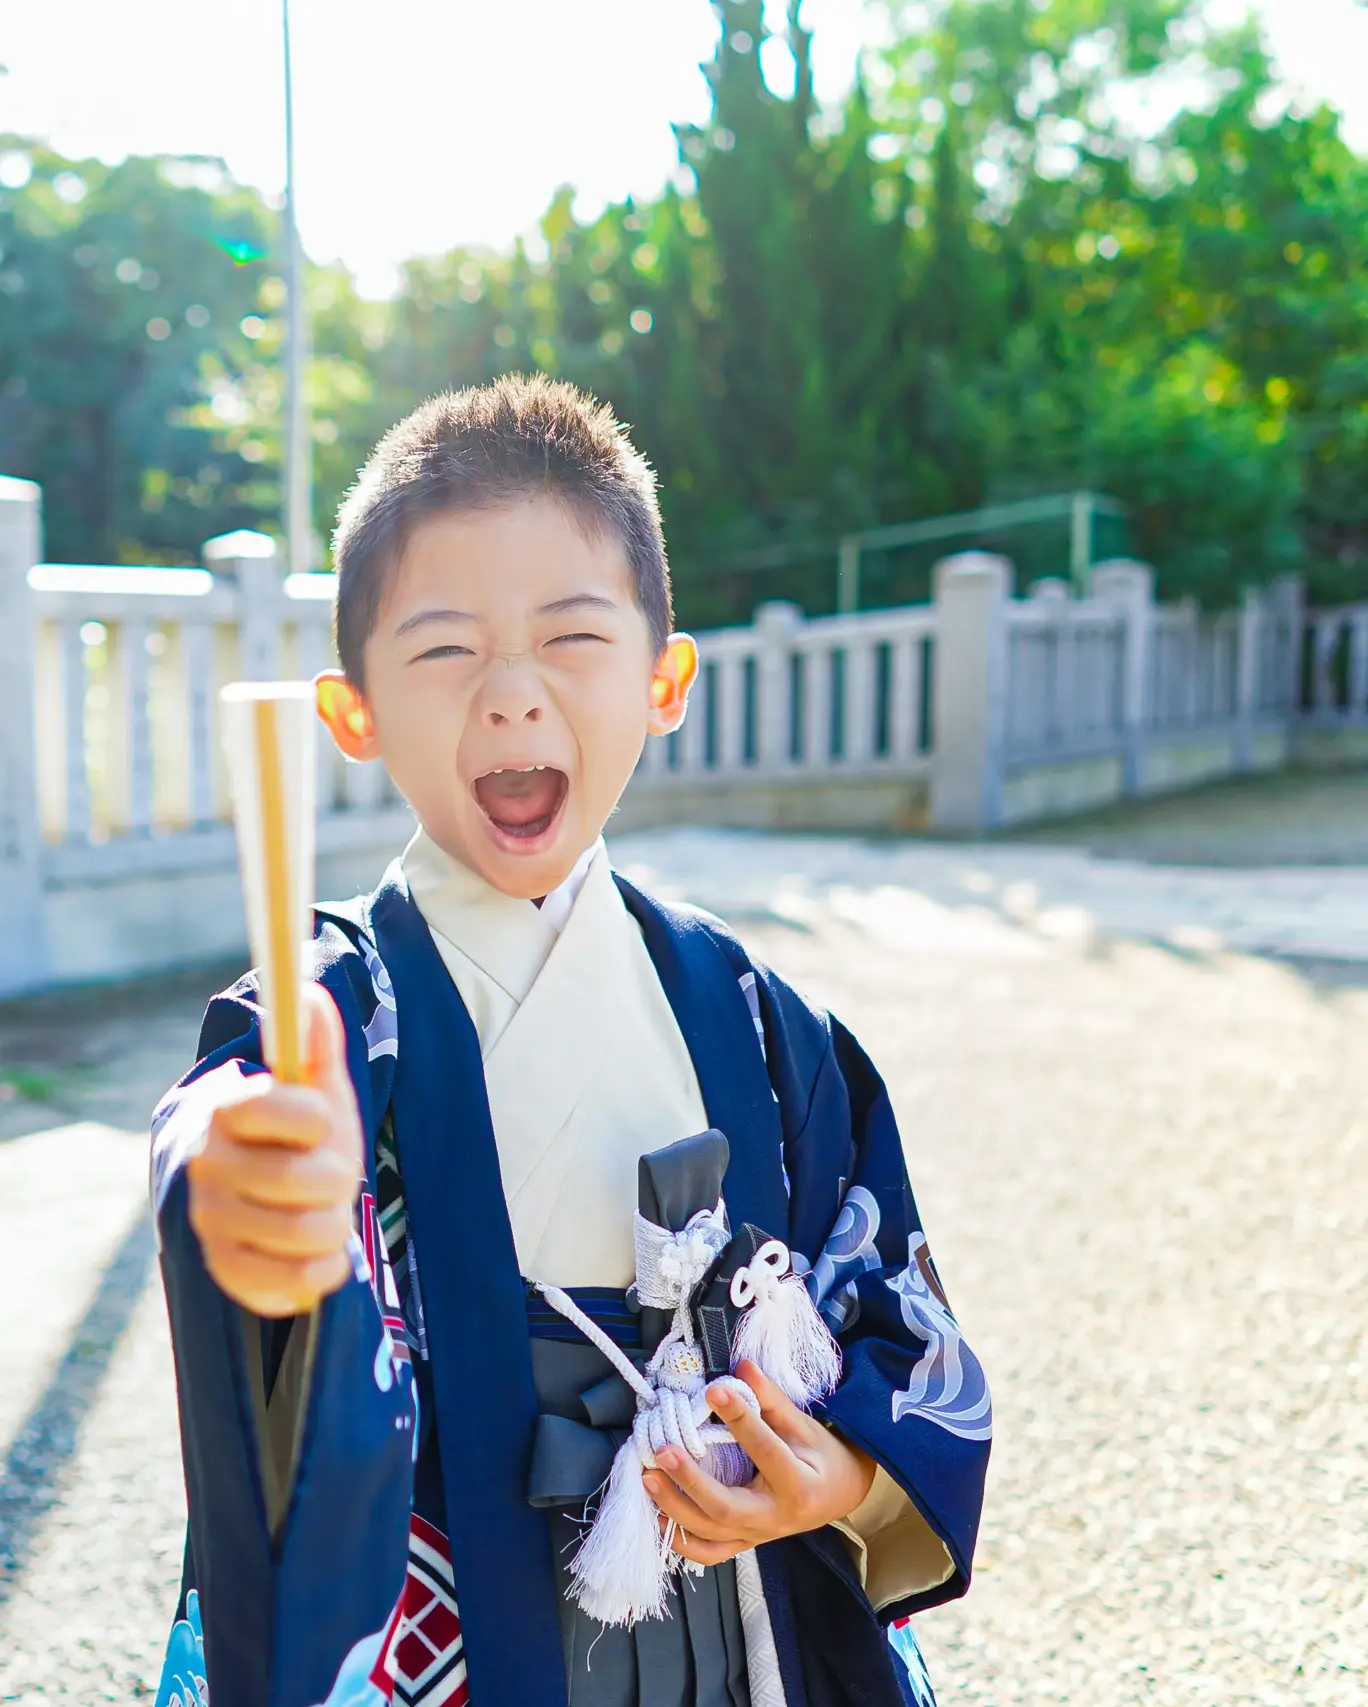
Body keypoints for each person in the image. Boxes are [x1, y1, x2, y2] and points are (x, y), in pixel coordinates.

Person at [148, 376, 989, 1707]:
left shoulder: (760, 1021)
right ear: (353, 710)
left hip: (732, 1613)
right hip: (464, 1627)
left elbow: (882, 1301)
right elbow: (230, 1108)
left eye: (573, 639)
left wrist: (833, 1477)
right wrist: (242, 1184)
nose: (513, 698)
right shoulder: (339, 1006)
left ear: (664, 681)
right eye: (444, 650)